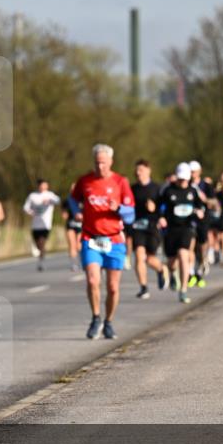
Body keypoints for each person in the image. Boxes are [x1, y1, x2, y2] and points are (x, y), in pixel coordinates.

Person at [71, 143, 135, 339]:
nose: (100, 167)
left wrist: (118, 209)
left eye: (104, 163)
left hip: (114, 240)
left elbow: (131, 214)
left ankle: (108, 321)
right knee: (92, 280)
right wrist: (77, 212)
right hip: (90, 238)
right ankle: (96, 317)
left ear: (111, 162)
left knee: (113, 287)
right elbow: (73, 200)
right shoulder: (85, 181)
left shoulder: (120, 182)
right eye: (97, 163)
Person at [158, 163, 202, 303]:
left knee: (184, 255)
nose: (183, 182)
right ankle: (172, 273)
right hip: (171, 229)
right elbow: (160, 208)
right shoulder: (168, 191)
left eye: (185, 179)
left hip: (186, 228)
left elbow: (200, 206)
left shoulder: (193, 191)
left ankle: (183, 290)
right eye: (181, 178)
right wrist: (161, 218)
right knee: (172, 262)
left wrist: (200, 212)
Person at [129, 159, 167, 299]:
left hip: (152, 226)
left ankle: (162, 269)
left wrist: (156, 210)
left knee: (150, 259)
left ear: (148, 171)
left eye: (141, 170)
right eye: (137, 170)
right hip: (137, 226)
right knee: (139, 255)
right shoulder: (132, 189)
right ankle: (144, 287)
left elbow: (164, 207)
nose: (138, 173)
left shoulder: (157, 189)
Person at [23, 179, 62, 272]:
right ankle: (41, 258)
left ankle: (41, 263)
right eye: (41, 185)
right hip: (35, 225)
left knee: (41, 243)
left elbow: (58, 200)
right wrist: (30, 212)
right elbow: (25, 207)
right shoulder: (33, 196)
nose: (43, 187)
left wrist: (50, 200)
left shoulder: (50, 195)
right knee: (38, 246)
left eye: (45, 185)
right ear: (38, 186)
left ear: (47, 186)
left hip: (46, 225)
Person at [188, 161, 213, 287]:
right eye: (190, 172)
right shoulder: (186, 184)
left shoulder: (206, 185)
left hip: (203, 219)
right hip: (190, 219)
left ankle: (202, 265)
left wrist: (206, 199)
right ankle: (191, 272)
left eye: (194, 172)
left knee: (201, 245)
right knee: (190, 245)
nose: (192, 174)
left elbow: (214, 203)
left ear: (199, 172)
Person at [62, 183, 83, 271]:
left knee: (79, 245)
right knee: (72, 244)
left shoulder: (83, 199)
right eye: (72, 188)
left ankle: (81, 262)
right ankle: (74, 264)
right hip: (70, 224)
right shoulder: (67, 200)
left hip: (81, 225)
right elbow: (64, 212)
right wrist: (64, 214)